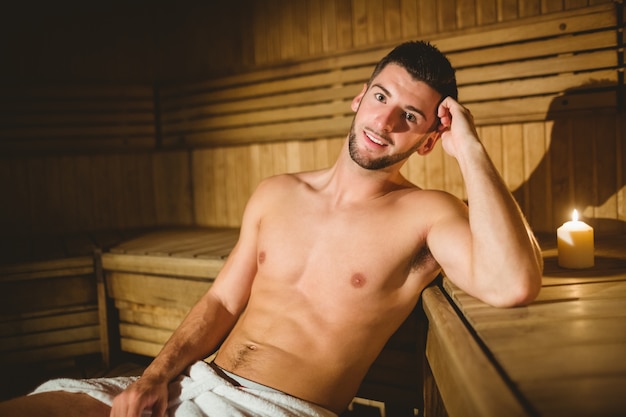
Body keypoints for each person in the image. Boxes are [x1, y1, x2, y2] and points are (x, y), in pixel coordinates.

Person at [0, 41, 543, 417]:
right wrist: (154, 377)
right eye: (381, 97)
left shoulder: (426, 214)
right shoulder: (276, 192)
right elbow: (220, 302)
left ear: (428, 139)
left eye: (410, 116)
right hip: (193, 383)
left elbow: (512, 283)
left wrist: (469, 148)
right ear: (360, 97)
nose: (383, 122)